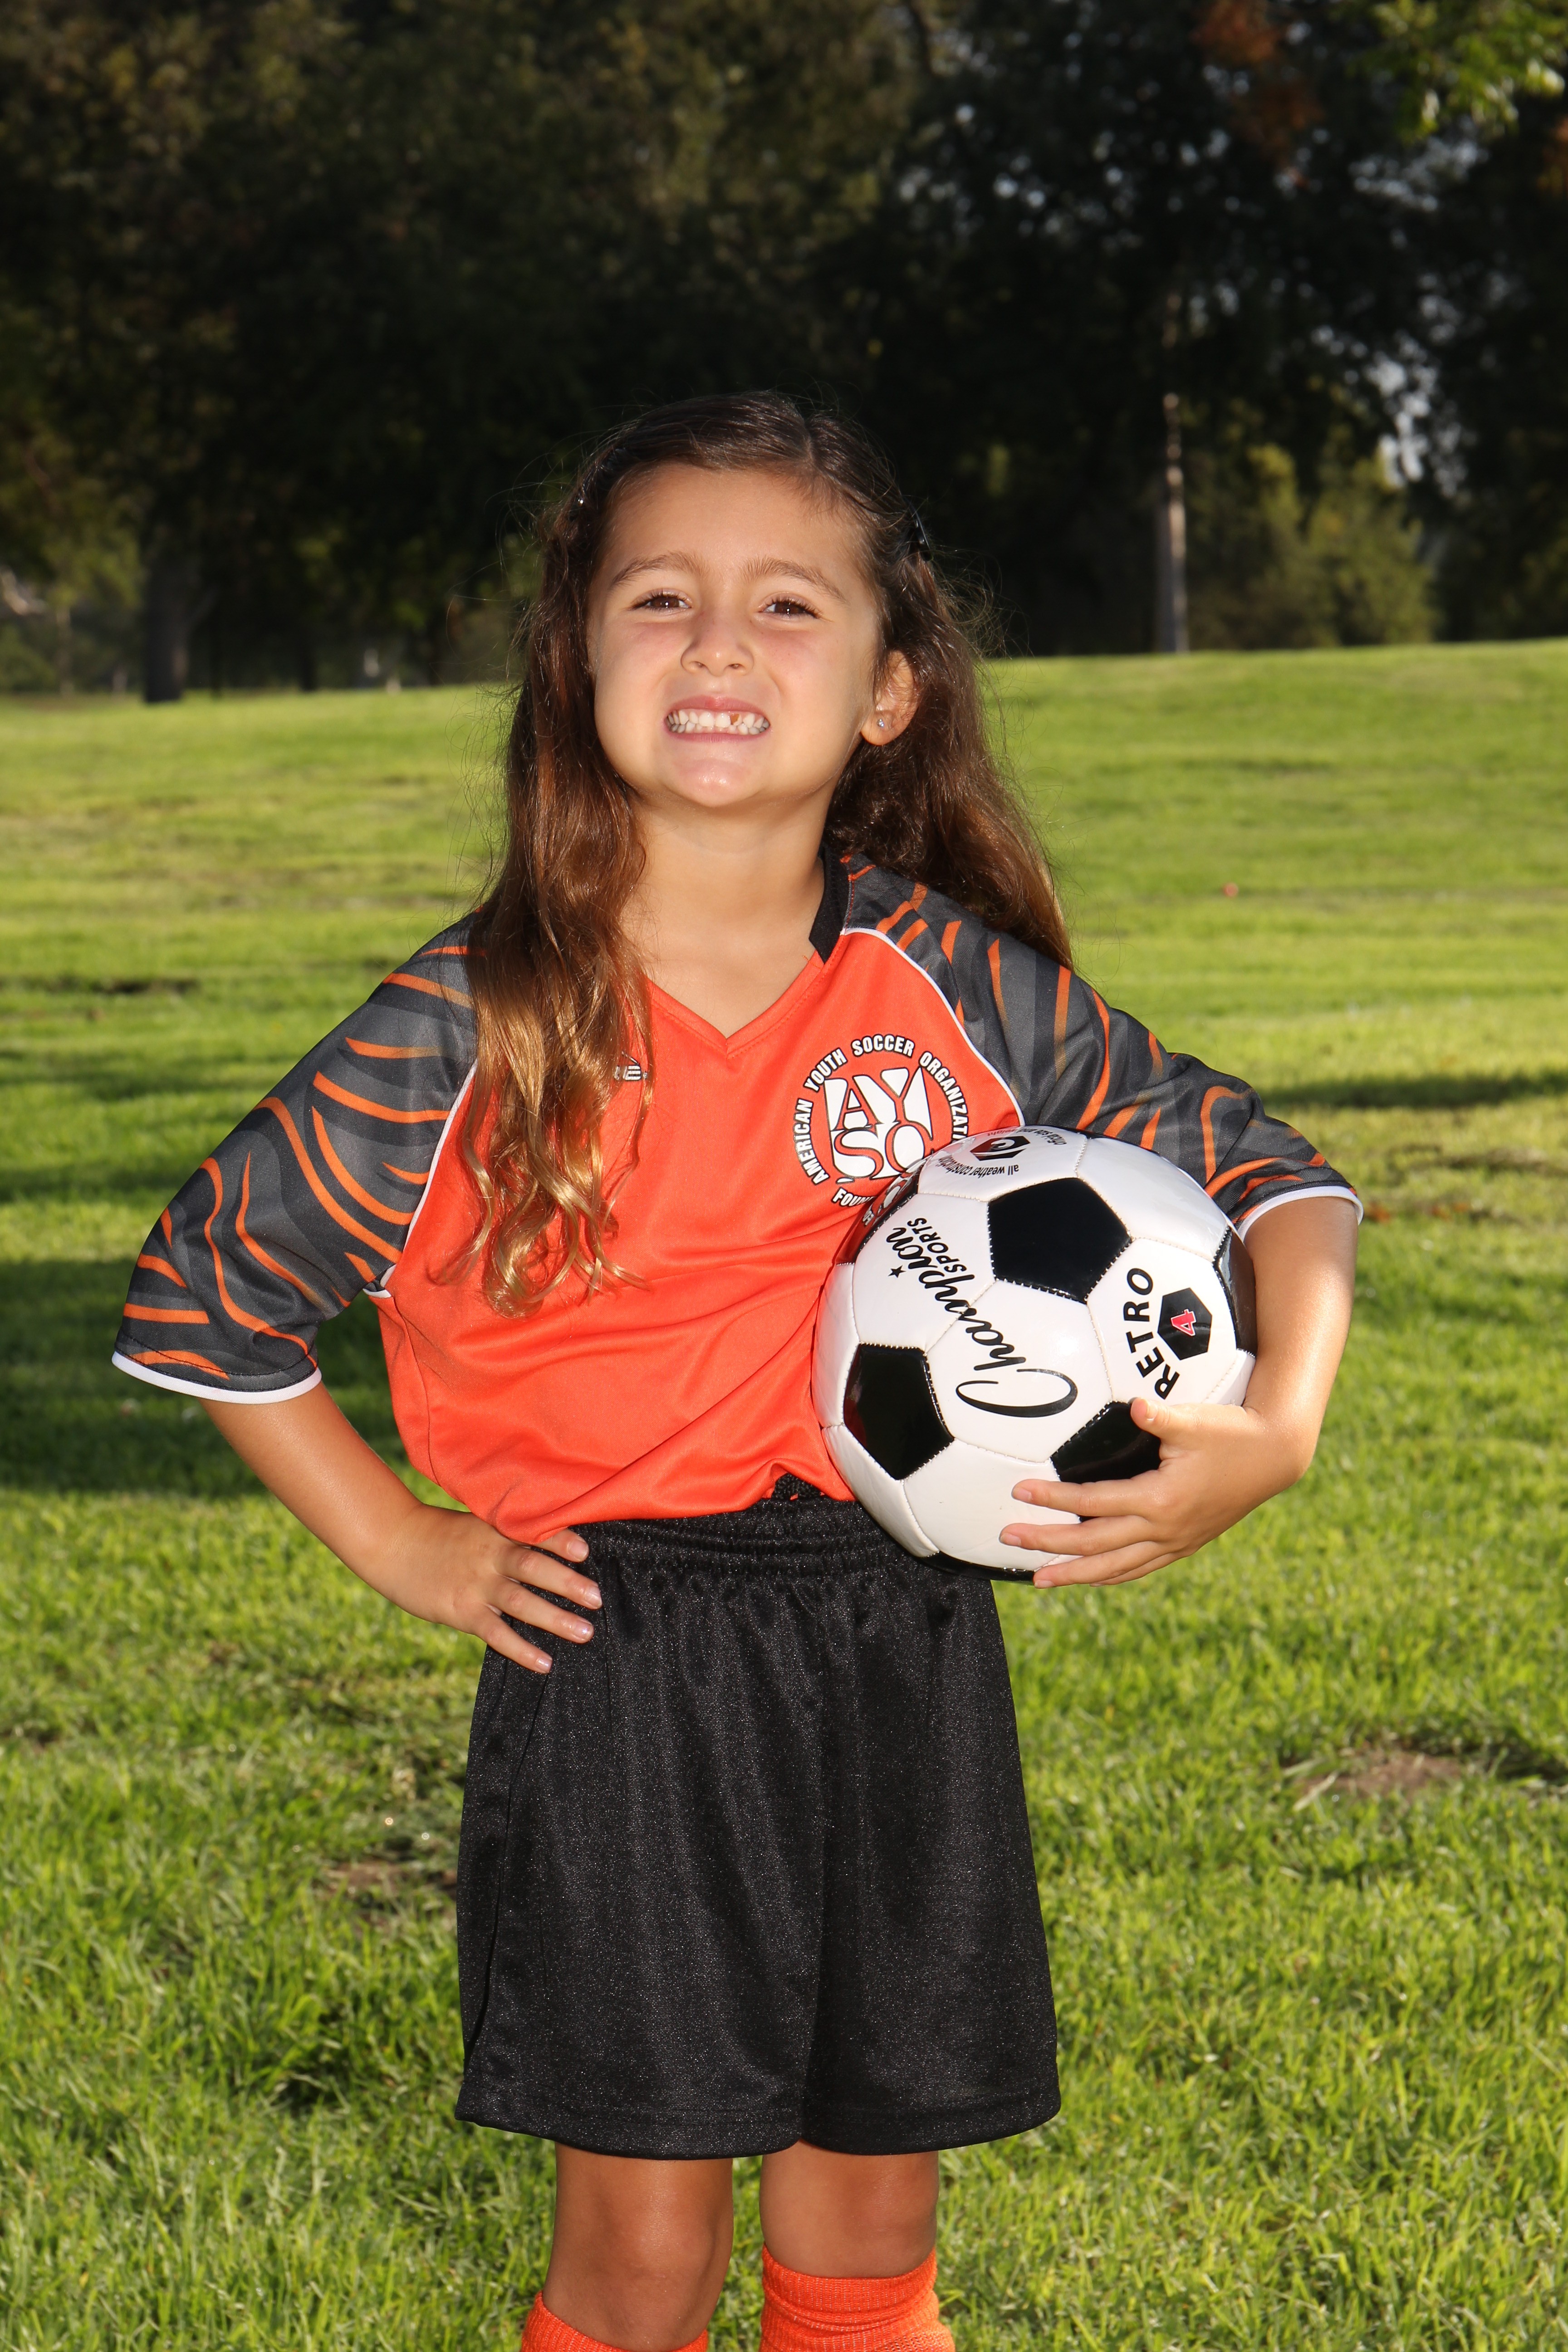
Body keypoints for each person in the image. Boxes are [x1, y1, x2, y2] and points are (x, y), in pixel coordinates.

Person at [113, 395, 1359, 2352]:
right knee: (644, 2252)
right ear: (574, 653)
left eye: (787, 604)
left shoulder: (953, 985)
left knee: (871, 2219)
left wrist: (1274, 1428)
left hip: (904, 1629)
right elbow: (208, 1291)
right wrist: (410, 1546)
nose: (717, 642)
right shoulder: (470, 1023)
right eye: (659, 597)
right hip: (627, 1663)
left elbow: (1276, 1176)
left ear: (889, 687)